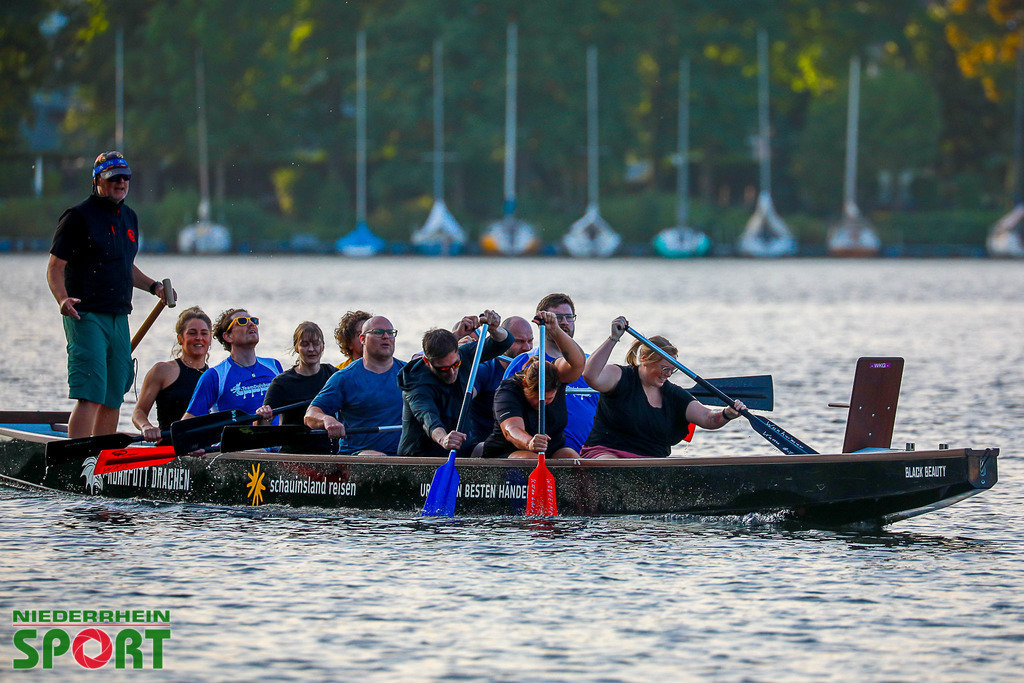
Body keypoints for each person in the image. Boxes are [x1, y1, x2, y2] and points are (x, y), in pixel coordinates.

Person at [46, 151, 170, 438]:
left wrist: (155, 287)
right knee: (91, 391)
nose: (121, 183)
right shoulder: (77, 217)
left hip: (118, 316)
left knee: (114, 393)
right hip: (85, 313)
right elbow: (54, 267)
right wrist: (62, 299)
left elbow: (125, 266)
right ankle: (76, 461)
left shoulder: (129, 217)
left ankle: (101, 458)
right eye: (114, 177)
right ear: (98, 180)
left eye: (125, 177)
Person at [580, 316, 746, 459]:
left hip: (650, 464)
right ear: (645, 359)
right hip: (606, 453)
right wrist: (613, 338)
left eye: (672, 370)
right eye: (664, 368)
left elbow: (707, 418)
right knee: (616, 467)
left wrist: (727, 413)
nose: (668, 374)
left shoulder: (675, 395)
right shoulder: (619, 376)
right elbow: (590, 375)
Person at [397, 310, 513, 457]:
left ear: (458, 351)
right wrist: (444, 438)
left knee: (505, 450)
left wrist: (495, 329)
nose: (452, 372)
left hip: (460, 451)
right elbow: (428, 417)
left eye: (455, 365)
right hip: (420, 456)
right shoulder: (415, 384)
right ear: (427, 361)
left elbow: (504, 342)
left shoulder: (465, 354)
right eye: (444, 369)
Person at [482, 311, 585, 459]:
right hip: (509, 451)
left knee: (571, 458)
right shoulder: (507, 391)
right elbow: (512, 430)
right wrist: (529, 442)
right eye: (536, 398)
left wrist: (555, 330)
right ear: (525, 383)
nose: (542, 403)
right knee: (531, 459)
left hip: (552, 449)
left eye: (549, 399)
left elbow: (578, 363)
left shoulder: (557, 375)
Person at [503, 293, 597, 452]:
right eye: (558, 317)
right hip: (543, 452)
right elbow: (507, 406)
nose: (565, 323)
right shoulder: (523, 362)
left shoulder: (591, 364)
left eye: (569, 317)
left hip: (587, 454)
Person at [305, 316, 406, 454]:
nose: (386, 337)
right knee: (375, 457)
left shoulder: (410, 373)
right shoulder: (344, 378)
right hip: (358, 457)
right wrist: (326, 420)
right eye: (378, 332)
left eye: (390, 332)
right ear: (363, 339)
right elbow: (310, 415)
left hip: (403, 458)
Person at [182, 308, 282, 421]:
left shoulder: (274, 366)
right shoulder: (215, 376)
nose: (251, 324)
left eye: (253, 320)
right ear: (227, 336)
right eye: (242, 321)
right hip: (238, 437)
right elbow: (188, 421)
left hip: (277, 438)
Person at [131, 306, 212, 442]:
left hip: (204, 451)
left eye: (204, 333)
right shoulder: (162, 371)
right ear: (180, 339)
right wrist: (146, 427)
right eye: (192, 333)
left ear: (209, 339)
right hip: (170, 448)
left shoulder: (214, 375)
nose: (199, 338)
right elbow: (138, 412)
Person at [467, 315, 534, 451]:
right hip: (485, 446)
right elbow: (461, 398)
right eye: (519, 341)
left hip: (522, 442)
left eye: (530, 341)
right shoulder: (484, 370)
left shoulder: (534, 372)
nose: (527, 348)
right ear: (505, 341)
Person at [263, 322, 337, 426]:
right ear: (297, 348)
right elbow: (261, 426)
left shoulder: (334, 375)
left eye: (316, 344)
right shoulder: (281, 383)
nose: (311, 349)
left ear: (323, 346)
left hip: (330, 441)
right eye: (305, 344)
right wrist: (263, 416)